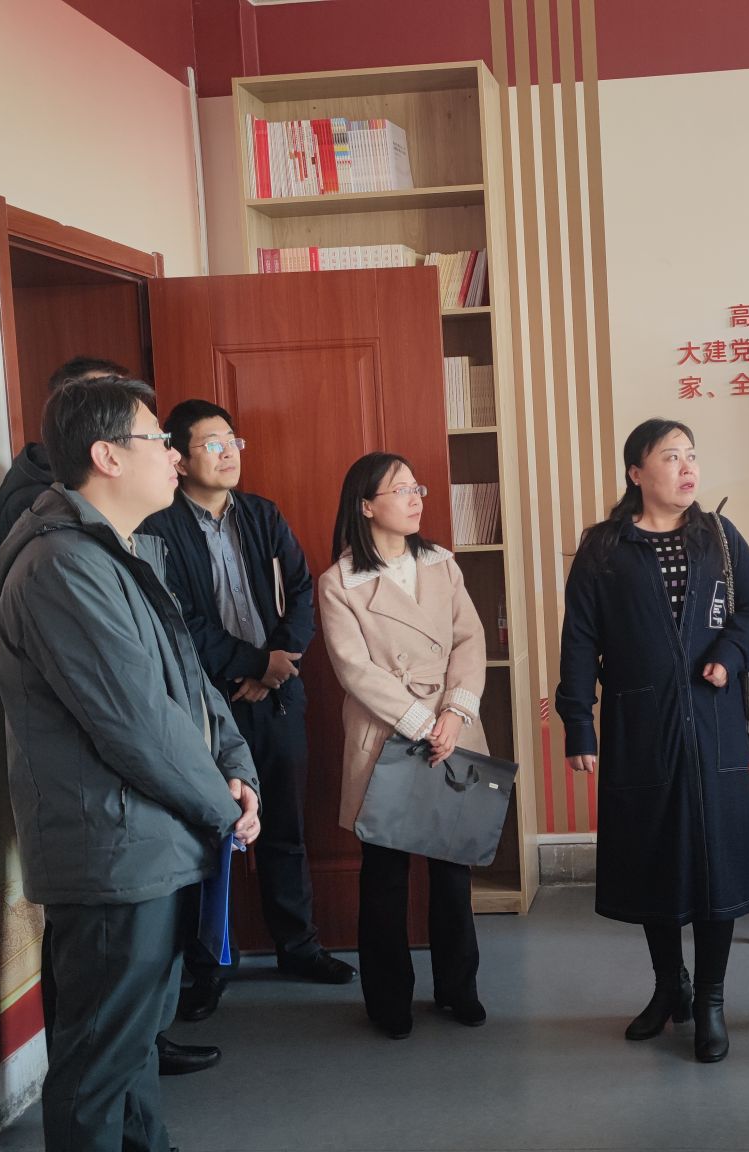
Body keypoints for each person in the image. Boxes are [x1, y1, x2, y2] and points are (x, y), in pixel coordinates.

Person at [0, 375, 264, 1152]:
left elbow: (193, 688)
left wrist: (237, 770)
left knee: (134, 1050)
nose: (176, 456)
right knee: (99, 1069)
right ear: (107, 456)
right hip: (109, 853)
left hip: (149, 841)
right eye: (159, 440)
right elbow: (137, 723)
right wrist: (223, 806)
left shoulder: (122, 552)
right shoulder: (61, 568)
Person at [556, 419, 749, 1064]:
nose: (687, 468)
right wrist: (578, 722)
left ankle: (710, 1000)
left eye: (691, 456)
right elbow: (580, 640)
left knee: (716, 863)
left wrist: (729, 656)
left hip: (713, 724)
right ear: (636, 472)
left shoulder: (717, 535)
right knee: (655, 855)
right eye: (670, 456)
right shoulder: (603, 548)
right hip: (639, 725)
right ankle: (669, 987)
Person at [141, 400, 358, 1017]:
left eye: (232, 440)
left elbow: (301, 592)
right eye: (212, 443)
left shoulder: (262, 514)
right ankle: (209, 965)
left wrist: (275, 666)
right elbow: (177, 618)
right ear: (179, 458)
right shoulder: (158, 526)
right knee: (213, 833)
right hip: (208, 703)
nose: (229, 452)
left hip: (277, 699)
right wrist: (253, 664)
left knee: (285, 827)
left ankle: (298, 946)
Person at [315, 453, 490, 1039]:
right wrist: (420, 721)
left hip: (452, 726)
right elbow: (354, 668)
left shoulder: (442, 564)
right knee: (385, 874)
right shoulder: (339, 582)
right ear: (367, 506)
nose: (416, 499)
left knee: (453, 869)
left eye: (418, 488)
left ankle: (458, 988)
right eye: (402, 490)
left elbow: (469, 639)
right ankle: (387, 1000)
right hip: (388, 731)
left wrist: (454, 712)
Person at [0, 355, 127, 552]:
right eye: (108, 403)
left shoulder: (100, 475)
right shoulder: (36, 503)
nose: (125, 415)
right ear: (67, 411)